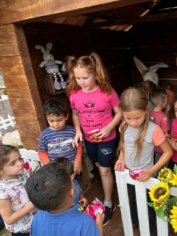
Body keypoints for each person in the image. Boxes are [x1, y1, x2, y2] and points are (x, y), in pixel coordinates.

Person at [66, 53, 123, 225]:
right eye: (78, 78)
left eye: (85, 77)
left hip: (107, 138)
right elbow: (75, 114)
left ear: (95, 74)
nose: (81, 81)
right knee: (99, 166)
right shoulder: (74, 94)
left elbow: (119, 113)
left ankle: (108, 202)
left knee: (104, 170)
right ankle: (110, 180)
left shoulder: (107, 91)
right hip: (89, 140)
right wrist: (78, 131)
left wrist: (108, 128)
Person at [114, 88, 172, 234]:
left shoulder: (154, 130)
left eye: (137, 118)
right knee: (129, 200)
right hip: (127, 174)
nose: (133, 122)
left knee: (149, 204)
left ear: (147, 109)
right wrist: (121, 158)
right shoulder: (124, 126)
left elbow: (168, 152)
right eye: (128, 117)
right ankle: (135, 221)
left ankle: (151, 229)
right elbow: (124, 145)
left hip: (147, 176)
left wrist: (152, 170)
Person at [25, 162, 103, 236]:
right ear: (72, 193)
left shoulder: (37, 219)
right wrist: (99, 225)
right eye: (71, 180)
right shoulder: (86, 222)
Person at [0, 145, 37, 236]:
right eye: (13, 163)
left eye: (20, 158)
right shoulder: (2, 193)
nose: (20, 163)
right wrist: (34, 203)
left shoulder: (23, 173)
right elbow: (9, 219)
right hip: (23, 231)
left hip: (37, 220)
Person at [38, 98, 82, 174]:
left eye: (59, 120)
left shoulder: (72, 131)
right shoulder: (44, 135)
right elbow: (42, 152)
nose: (55, 124)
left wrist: (78, 161)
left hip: (72, 167)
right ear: (46, 118)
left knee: (75, 184)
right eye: (51, 121)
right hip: (55, 171)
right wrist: (49, 166)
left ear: (66, 117)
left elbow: (79, 146)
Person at [150, 89, 170, 168]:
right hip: (162, 148)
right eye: (166, 100)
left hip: (152, 146)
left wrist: (166, 113)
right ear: (161, 103)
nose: (167, 102)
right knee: (163, 167)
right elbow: (166, 133)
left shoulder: (150, 112)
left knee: (155, 164)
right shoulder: (164, 117)